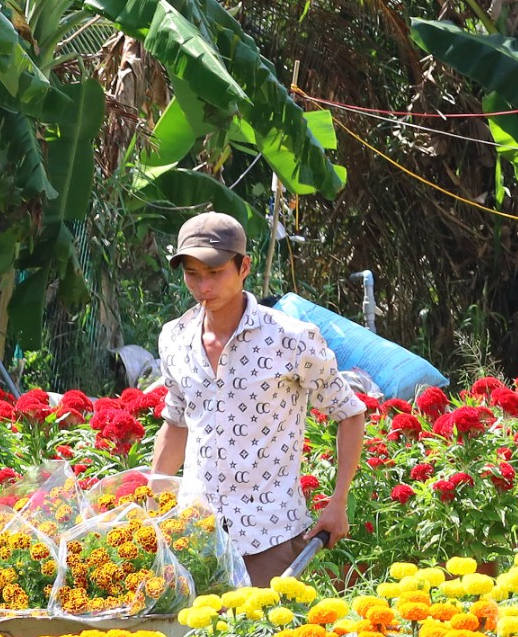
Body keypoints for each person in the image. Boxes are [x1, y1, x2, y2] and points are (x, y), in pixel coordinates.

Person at [147, 212, 367, 584]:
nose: (204, 287)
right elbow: (177, 422)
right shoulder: (175, 338)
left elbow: (349, 412)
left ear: (244, 266)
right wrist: (152, 499)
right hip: (196, 536)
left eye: (215, 273)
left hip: (270, 536)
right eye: (193, 274)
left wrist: (338, 502)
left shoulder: (290, 338)